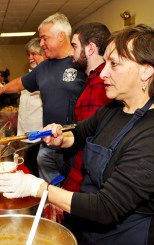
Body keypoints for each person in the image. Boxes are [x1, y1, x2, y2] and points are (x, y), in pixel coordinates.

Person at [0, 24, 154, 245]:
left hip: (129, 240)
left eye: (114, 64)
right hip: (91, 233)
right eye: (105, 63)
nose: (102, 73)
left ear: (147, 70)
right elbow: (79, 132)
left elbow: (105, 207)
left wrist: (37, 187)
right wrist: (60, 137)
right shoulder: (112, 111)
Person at [0, 13, 86, 183]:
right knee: (49, 194)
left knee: (73, 193)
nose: (41, 44)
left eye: (44, 38)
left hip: (77, 146)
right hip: (48, 145)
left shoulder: (81, 62)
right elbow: (21, 83)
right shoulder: (44, 68)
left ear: (61, 36)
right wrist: (3, 88)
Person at [61, 22, 112, 192]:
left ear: (90, 48)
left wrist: (69, 189)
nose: (70, 52)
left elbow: (90, 145)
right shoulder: (91, 80)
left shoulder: (99, 85)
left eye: (74, 46)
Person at [17, 38, 46, 176]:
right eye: (28, 54)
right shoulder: (29, 75)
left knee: (37, 172)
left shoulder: (46, 76)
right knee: (29, 167)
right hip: (27, 136)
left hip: (40, 136)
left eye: (33, 54)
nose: (30, 58)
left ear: (44, 53)